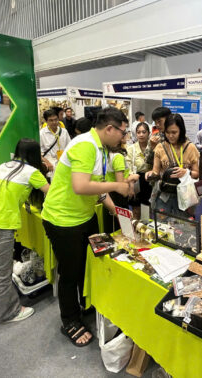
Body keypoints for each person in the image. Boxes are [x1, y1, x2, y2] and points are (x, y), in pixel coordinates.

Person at [41, 107, 131, 347]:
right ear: (110, 128)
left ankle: (87, 302)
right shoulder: (85, 145)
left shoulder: (101, 149)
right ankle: (69, 320)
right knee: (70, 272)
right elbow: (81, 186)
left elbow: (97, 188)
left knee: (90, 262)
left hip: (85, 216)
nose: (123, 137)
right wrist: (116, 186)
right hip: (63, 220)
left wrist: (116, 212)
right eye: (122, 132)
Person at [0, 139, 49, 323]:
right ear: (35, 155)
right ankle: (8, 313)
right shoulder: (32, 172)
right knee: (1, 275)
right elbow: (52, 193)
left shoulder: (1, 167)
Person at [146, 114, 200, 217]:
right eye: (167, 132)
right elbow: (156, 171)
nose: (170, 136)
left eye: (174, 132)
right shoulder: (160, 147)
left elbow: (196, 174)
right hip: (164, 194)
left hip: (184, 195)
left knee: (183, 224)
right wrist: (150, 174)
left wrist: (186, 172)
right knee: (162, 223)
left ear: (181, 131)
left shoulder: (190, 147)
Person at [127, 121, 152, 219]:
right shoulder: (131, 149)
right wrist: (130, 185)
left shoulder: (153, 147)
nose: (141, 135)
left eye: (144, 132)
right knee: (136, 211)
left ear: (148, 133)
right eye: (138, 132)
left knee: (147, 213)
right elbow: (128, 167)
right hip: (136, 181)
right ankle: (136, 227)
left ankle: (145, 227)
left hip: (149, 181)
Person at [40, 109, 72, 178]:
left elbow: (70, 147)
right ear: (46, 121)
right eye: (51, 120)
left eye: (56, 119)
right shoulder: (42, 133)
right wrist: (47, 162)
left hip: (63, 161)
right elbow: (38, 153)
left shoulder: (64, 132)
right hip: (50, 163)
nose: (54, 122)